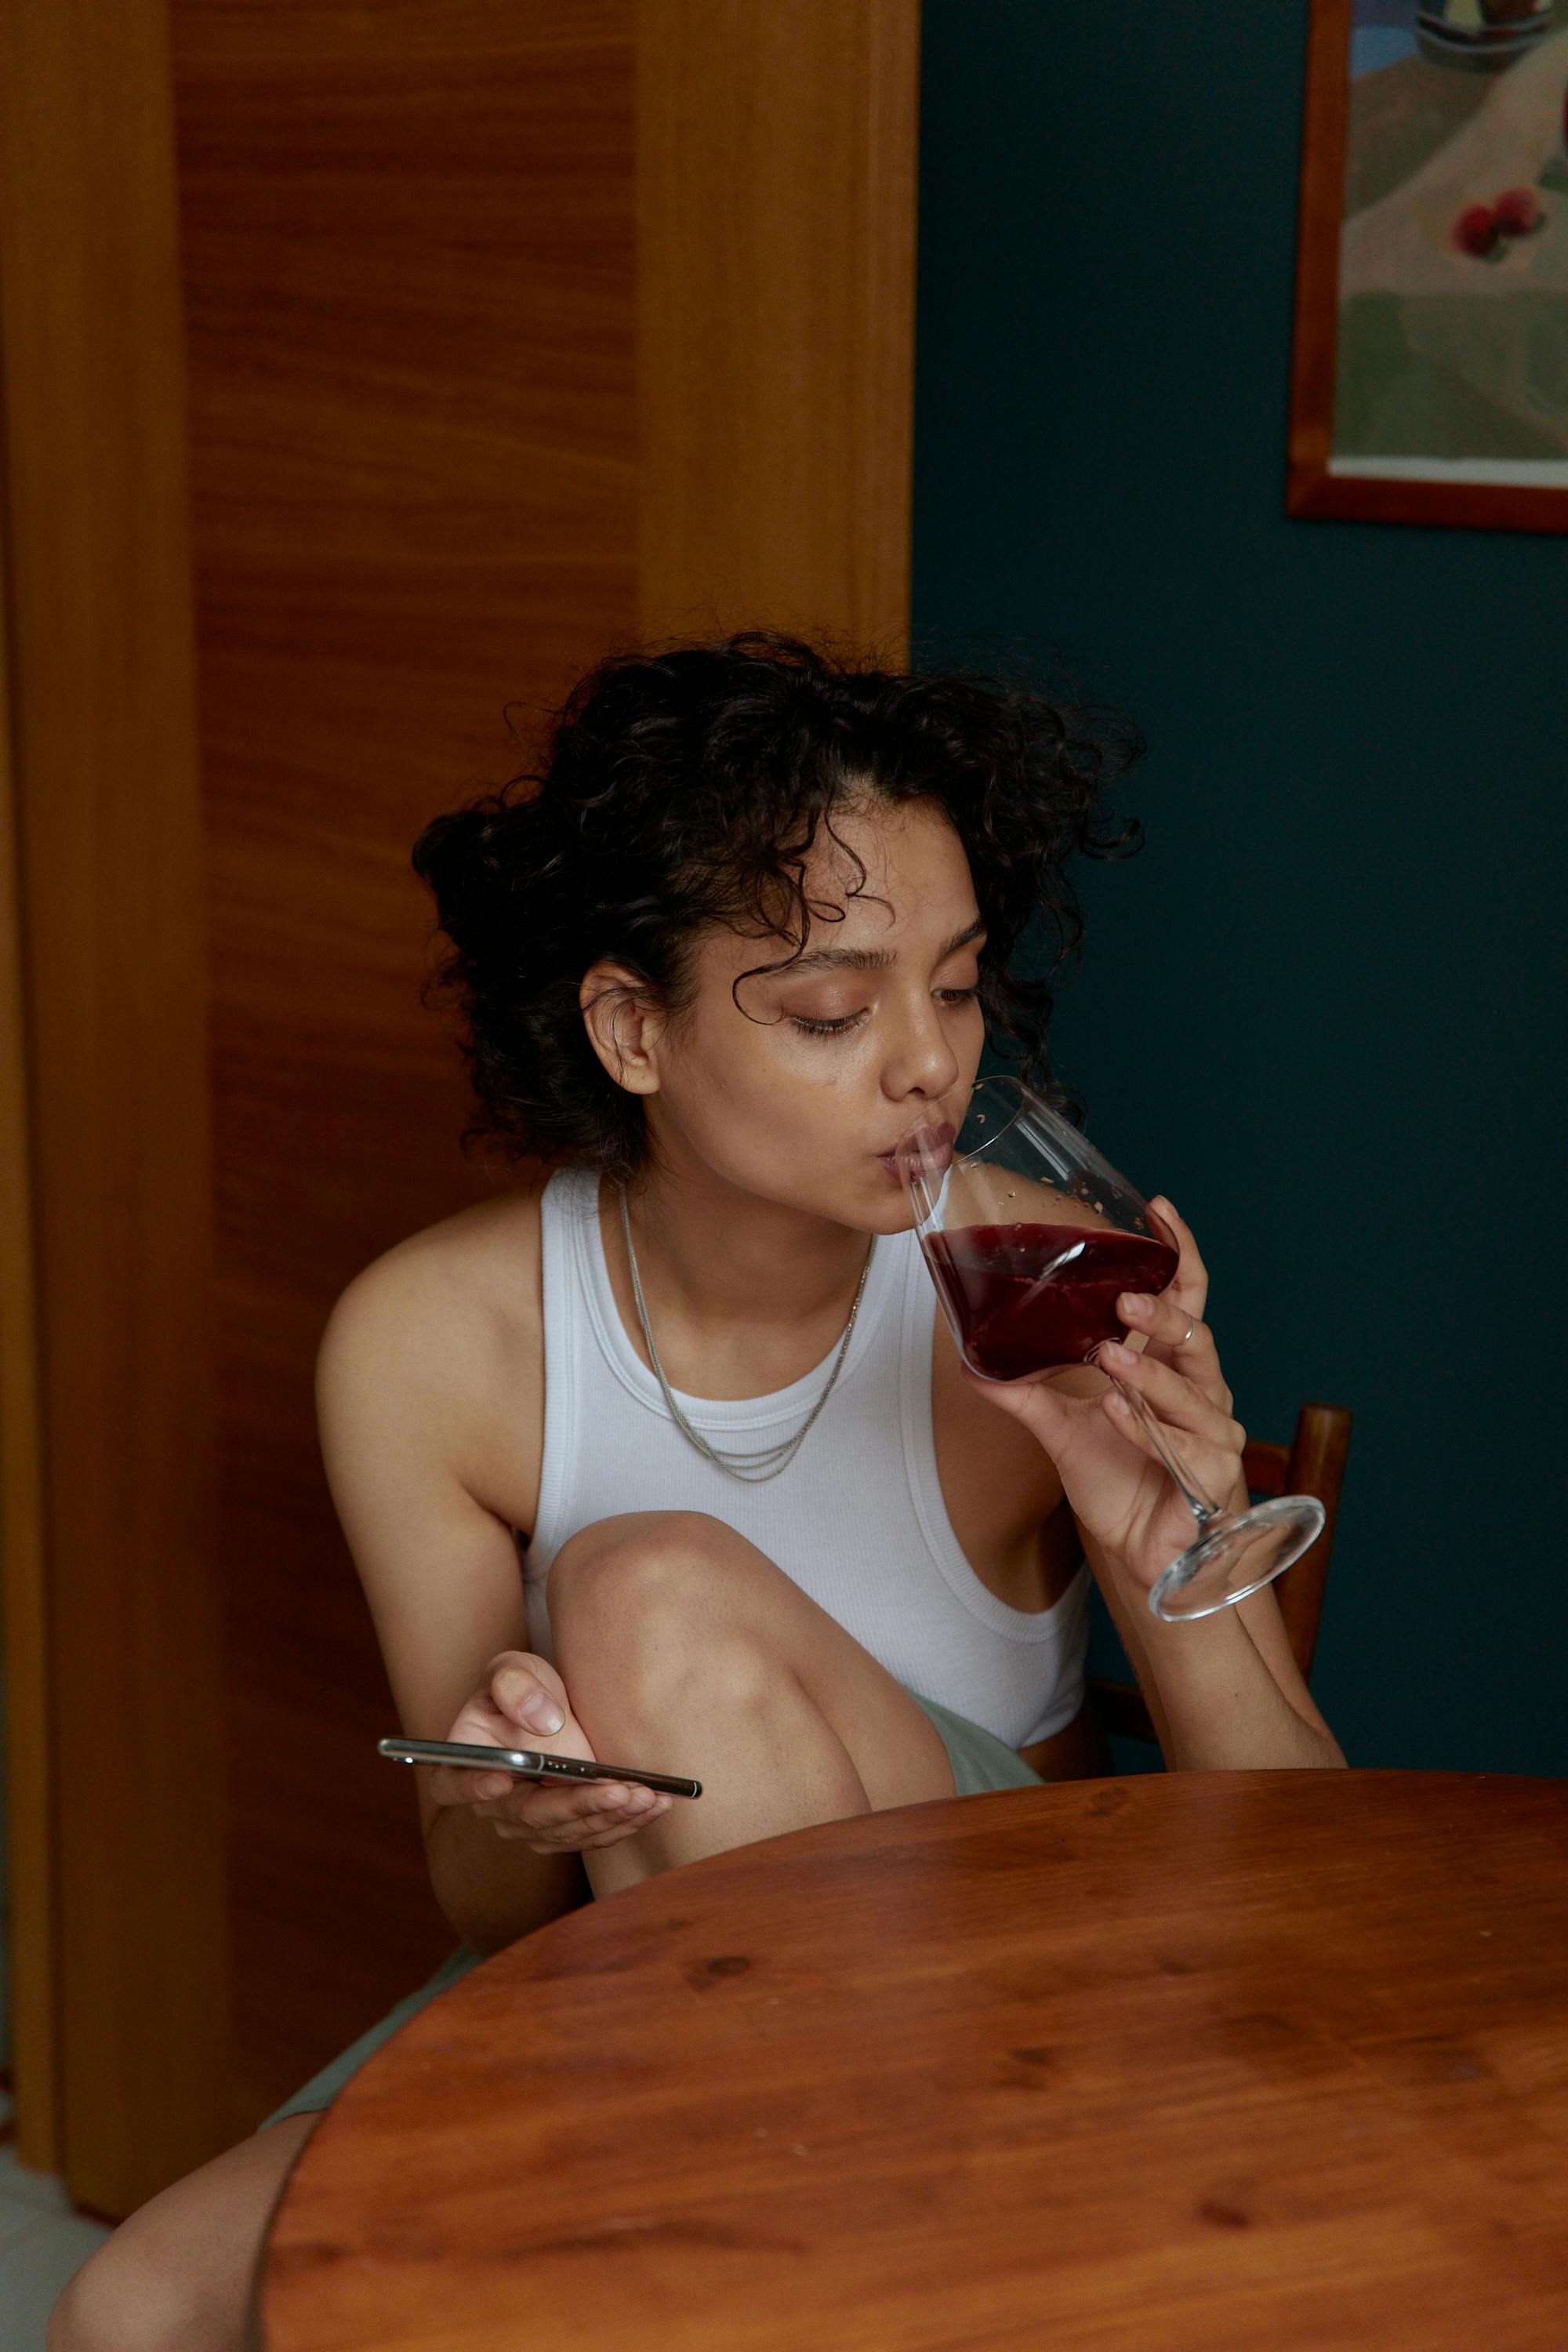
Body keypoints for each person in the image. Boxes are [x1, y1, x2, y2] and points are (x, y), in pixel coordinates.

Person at [51, 634, 1342, 2352]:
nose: (925, 1068)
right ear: (629, 1030)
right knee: (131, 2311)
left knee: (641, 1581)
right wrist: (536, 1811)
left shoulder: (1033, 1277)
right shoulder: (434, 1346)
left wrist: (1142, 1523)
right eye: (831, 1008)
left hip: (1003, 1974)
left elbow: (1301, 1874)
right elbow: (486, 1906)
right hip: (630, 1964)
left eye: (955, 989)